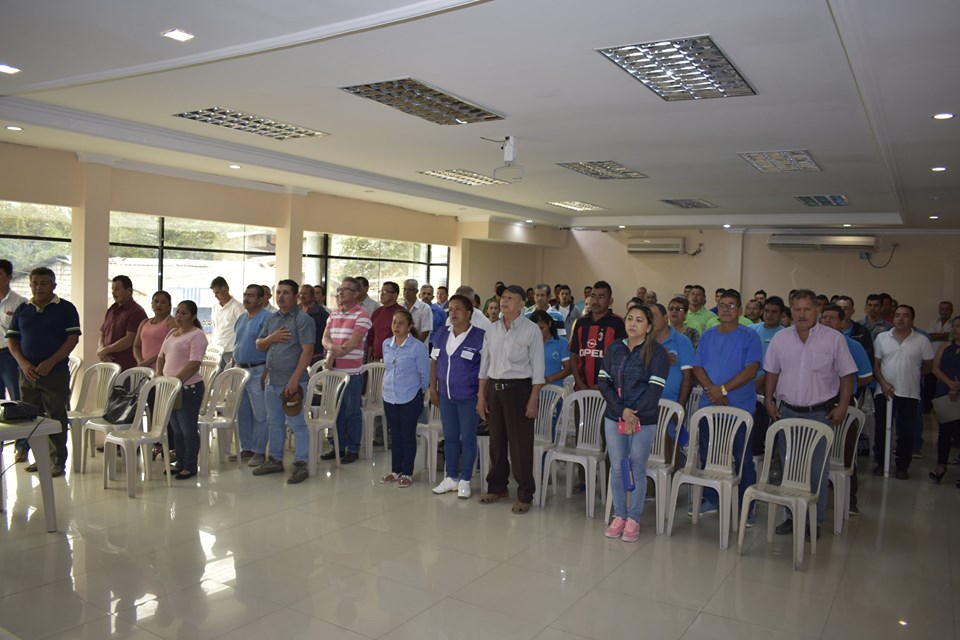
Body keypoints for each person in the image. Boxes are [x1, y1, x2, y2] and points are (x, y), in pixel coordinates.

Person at [764, 293, 857, 539]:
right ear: (790, 312)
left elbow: (847, 375)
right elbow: (772, 371)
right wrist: (768, 400)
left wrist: (843, 406)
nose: (801, 314)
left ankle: (812, 521)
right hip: (787, 413)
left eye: (807, 309)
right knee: (789, 468)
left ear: (817, 311)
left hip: (819, 414)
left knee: (816, 471)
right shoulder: (781, 338)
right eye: (796, 309)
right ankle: (791, 517)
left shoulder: (834, 339)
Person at [598, 304, 669, 541]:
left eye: (639, 320)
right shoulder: (615, 348)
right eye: (630, 318)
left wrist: (633, 414)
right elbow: (603, 382)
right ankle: (619, 515)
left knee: (637, 467)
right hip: (614, 417)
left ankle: (634, 519)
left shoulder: (657, 353)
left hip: (643, 420)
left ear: (648, 327)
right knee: (618, 467)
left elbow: (654, 390)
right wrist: (621, 411)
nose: (633, 323)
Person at [691, 289, 762, 518]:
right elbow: (697, 367)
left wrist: (722, 389)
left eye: (731, 305)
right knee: (708, 455)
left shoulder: (749, 336)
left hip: (740, 408)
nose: (726, 309)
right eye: (722, 305)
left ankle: (746, 505)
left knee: (743, 459)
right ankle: (711, 499)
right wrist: (713, 391)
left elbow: (751, 370)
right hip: (709, 407)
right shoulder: (708, 335)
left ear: (739, 310)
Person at [6, 267, 81, 476]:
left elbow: (72, 339)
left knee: (56, 416)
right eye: (35, 283)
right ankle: (40, 459)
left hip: (54, 373)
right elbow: (12, 340)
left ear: (54, 285)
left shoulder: (65, 308)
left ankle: (57, 462)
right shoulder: (23, 309)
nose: (38, 288)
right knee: (31, 417)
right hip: (28, 374)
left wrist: (51, 362)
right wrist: (23, 363)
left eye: (44, 283)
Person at [477, 284, 544, 513]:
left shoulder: (531, 330)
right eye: (503, 297)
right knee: (496, 442)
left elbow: (538, 369)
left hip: (519, 390)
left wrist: (533, 399)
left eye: (510, 298)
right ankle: (497, 487)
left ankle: (525, 494)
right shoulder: (492, 329)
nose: (504, 301)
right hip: (494, 389)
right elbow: (484, 366)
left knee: (520, 445)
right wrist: (481, 396)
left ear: (522, 304)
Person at [253, 279, 315, 483]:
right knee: (274, 422)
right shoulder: (272, 319)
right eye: (278, 292)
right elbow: (260, 344)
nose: (281, 296)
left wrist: (294, 380)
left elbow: (308, 351)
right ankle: (275, 460)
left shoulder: (303, 320)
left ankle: (301, 463)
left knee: (297, 424)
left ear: (296, 296)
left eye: (286, 292)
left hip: (293, 382)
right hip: (272, 381)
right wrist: (272, 338)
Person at [430, 294, 487, 498]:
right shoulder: (441, 334)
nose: (453, 313)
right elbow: (434, 362)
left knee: (468, 438)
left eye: (458, 309)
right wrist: (433, 388)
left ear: (469, 313)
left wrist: (482, 397)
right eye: (451, 309)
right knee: (451, 437)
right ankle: (451, 477)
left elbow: (485, 370)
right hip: (446, 396)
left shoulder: (480, 336)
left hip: (469, 396)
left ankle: (465, 480)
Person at [820, 303, 874, 514]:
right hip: (818, 403)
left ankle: (850, 500)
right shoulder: (814, 344)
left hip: (843, 403)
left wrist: (846, 387)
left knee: (845, 453)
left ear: (843, 323)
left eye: (832, 318)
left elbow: (866, 376)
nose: (827, 321)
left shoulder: (853, 346)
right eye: (824, 317)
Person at [872, 304, 934, 479]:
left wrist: (912, 375)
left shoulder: (922, 340)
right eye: (897, 315)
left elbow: (929, 366)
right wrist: (883, 383)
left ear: (912, 320)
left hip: (909, 392)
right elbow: (876, 365)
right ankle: (881, 462)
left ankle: (902, 466)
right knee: (881, 429)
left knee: (906, 431)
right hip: (884, 391)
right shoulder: (882, 338)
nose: (900, 319)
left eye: (905, 315)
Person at [378, 308, 430, 488]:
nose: (396, 326)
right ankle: (395, 471)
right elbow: (388, 369)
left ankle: (407, 472)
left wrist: (419, 393)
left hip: (410, 396)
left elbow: (425, 375)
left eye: (401, 323)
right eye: (394, 322)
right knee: (395, 434)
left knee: (407, 435)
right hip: (389, 395)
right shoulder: (387, 344)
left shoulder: (418, 347)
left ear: (409, 326)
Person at [321, 277, 371, 463]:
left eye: (345, 289)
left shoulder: (362, 315)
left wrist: (333, 352)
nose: (340, 292)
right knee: (337, 412)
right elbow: (324, 339)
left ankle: (353, 449)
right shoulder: (334, 314)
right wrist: (332, 349)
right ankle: (338, 448)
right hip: (334, 373)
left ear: (356, 294)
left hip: (352, 373)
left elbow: (353, 343)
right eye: (339, 289)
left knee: (352, 412)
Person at [156, 300, 208, 480]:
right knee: (176, 429)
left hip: (188, 388)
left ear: (193, 317)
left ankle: (190, 465)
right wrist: (160, 376)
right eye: (177, 312)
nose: (178, 316)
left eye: (183, 313)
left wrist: (175, 381)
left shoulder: (197, 335)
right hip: (170, 387)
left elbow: (194, 364)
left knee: (187, 429)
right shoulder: (172, 333)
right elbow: (161, 357)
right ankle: (179, 462)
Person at [232, 284, 271, 466]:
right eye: (245, 295)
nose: (246, 299)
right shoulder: (241, 318)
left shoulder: (267, 318)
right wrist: (234, 367)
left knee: (260, 414)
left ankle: (259, 451)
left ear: (261, 299)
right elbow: (237, 344)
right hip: (241, 371)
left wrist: (266, 371)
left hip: (258, 371)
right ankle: (246, 448)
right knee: (243, 412)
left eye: (251, 295)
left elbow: (272, 348)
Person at [569, 280, 625, 392]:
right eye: (593, 296)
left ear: (610, 301)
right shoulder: (580, 323)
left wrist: (606, 384)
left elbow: (623, 359)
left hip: (608, 391)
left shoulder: (618, 323)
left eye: (601, 297)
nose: (595, 301)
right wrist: (580, 383)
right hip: (581, 390)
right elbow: (574, 356)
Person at [650, 303, 694, 446]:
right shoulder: (645, 341)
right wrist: (660, 357)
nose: (650, 320)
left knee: (667, 450)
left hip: (670, 406)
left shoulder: (681, 341)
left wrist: (679, 407)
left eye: (654, 316)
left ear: (665, 318)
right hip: (645, 405)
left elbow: (688, 376)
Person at [0, 259, 28, 462]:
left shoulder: (19, 302)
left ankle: (22, 446)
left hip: (10, 356)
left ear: (9, 277)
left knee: (17, 401)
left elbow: (22, 333)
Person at [930, 315, 960, 484]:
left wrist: (957, 387)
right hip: (945, 392)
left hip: (958, 392)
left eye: (959, 326)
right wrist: (950, 384)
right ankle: (941, 465)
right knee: (945, 431)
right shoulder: (945, 346)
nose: (955, 329)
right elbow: (935, 368)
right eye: (954, 325)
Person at [99, 275, 147, 370]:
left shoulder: (137, 312)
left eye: (117, 289)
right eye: (112, 289)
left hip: (126, 367)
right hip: (108, 363)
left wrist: (106, 350)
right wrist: (101, 350)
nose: (113, 293)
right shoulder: (112, 309)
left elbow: (130, 339)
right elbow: (103, 333)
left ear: (129, 291)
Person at [133, 290, 176, 369]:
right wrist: (140, 362)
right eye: (156, 301)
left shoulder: (171, 322)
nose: (159, 305)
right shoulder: (144, 322)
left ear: (169, 306)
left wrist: (148, 361)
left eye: (163, 302)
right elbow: (136, 346)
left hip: (163, 368)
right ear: (152, 304)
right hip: (144, 368)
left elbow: (170, 348)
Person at [925, 301, 954, 413]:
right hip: (932, 359)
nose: (944, 311)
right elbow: (929, 336)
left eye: (947, 309)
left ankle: (945, 410)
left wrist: (939, 335)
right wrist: (945, 335)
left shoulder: (954, 323)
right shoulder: (933, 323)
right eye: (942, 309)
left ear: (951, 310)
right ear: (939, 310)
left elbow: (951, 336)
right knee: (929, 385)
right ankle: (928, 409)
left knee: (945, 385)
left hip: (948, 360)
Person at [530, 309, 571, 388]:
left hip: (555, 391)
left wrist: (548, 379)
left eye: (541, 328)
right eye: (535, 329)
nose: (538, 332)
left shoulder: (562, 343)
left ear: (549, 324)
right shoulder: (528, 343)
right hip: (530, 390)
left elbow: (568, 369)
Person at [209, 277, 244, 367]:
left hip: (231, 349)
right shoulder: (215, 307)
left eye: (217, 293)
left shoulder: (238, 307)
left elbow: (243, 330)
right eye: (214, 293)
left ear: (225, 289)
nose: (215, 296)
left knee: (230, 374)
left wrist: (237, 350)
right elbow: (215, 327)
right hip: (217, 349)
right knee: (216, 374)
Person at [367, 281, 401, 362]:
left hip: (395, 359)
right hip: (376, 359)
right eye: (381, 291)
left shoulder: (401, 313)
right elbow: (371, 337)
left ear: (395, 295)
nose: (382, 294)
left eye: (385, 291)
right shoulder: (377, 312)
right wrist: (368, 359)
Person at [298, 284, 328, 363]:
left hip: (315, 356)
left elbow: (325, 336)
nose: (302, 296)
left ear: (312, 296)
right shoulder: (294, 311)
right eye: (300, 293)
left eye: (305, 293)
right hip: (296, 354)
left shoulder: (322, 314)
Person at [401, 278, 432, 343]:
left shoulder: (425, 308)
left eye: (409, 290)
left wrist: (414, 347)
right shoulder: (400, 307)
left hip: (419, 346)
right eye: (405, 289)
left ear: (416, 291)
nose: (406, 292)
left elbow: (425, 332)